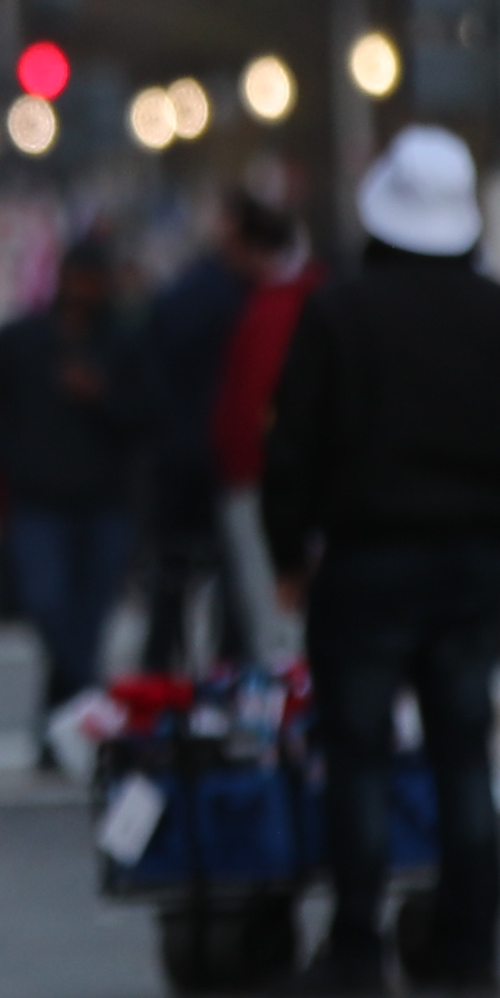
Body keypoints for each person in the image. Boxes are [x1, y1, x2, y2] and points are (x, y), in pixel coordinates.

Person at [257, 129, 500, 998]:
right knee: (463, 747)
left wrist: (289, 551)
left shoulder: (337, 314)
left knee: (357, 751)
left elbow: (293, 447)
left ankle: (357, 941)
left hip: (366, 559)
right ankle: (470, 938)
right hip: (476, 559)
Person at [0, 234, 150, 749]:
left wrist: (103, 399)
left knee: (87, 618)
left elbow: (149, 414)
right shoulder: (24, 341)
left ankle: (62, 727)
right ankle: (88, 702)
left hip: (103, 501)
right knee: (48, 605)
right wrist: (3, 456)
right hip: (40, 500)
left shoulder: (122, 344)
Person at [135, 198, 302, 676]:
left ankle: (173, 675)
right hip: (231, 462)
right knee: (242, 594)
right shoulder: (255, 301)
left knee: (193, 589)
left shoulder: (214, 296)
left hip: (210, 459)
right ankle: (231, 679)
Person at [207, 199, 325, 664]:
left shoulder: (275, 310)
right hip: (289, 472)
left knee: (274, 607)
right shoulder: (304, 297)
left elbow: (255, 403)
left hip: (264, 475)